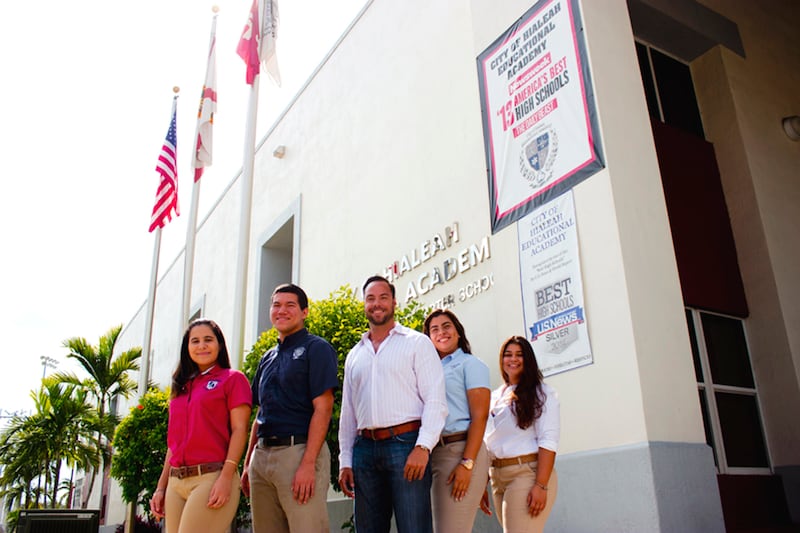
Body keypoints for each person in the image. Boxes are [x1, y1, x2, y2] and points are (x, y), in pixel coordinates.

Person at [338, 275, 448, 533]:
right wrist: (346, 460)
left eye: (383, 297)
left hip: (406, 446)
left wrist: (423, 446)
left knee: (414, 527)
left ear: (394, 303)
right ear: (364, 304)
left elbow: (435, 399)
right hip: (364, 452)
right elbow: (348, 413)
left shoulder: (416, 343)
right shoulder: (355, 355)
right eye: (371, 298)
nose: (377, 304)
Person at [241, 283, 338, 532]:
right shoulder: (267, 357)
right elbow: (260, 414)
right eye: (276, 305)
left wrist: (308, 463)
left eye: (290, 305)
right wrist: (248, 462)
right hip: (261, 459)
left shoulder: (317, 349)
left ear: (304, 312)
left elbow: (323, 409)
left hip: (299, 453)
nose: (281, 310)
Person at [150, 319, 252, 533]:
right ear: (187, 348)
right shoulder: (181, 387)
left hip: (211, 477)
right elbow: (174, 445)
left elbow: (240, 430)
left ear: (220, 345)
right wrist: (161, 488)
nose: (202, 346)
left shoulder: (233, 379)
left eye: (208, 340)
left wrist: (226, 477)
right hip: (176, 482)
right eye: (194, 341)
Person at [423, 309, 491, 533]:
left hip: (459, 451)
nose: (441, 332)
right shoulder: (428, 369)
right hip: (434, 454)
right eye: (434, 329)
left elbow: (479, 417)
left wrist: (468, 464)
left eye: (446, 326)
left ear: (458, 332)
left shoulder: (471, 364)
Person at [483, 336, 560, 533]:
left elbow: (548, 441)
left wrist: (541, 486)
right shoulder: (494, 396)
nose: (513, 359)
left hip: (526, 473)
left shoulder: (542, 394)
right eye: (507, 355)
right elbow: (488, 443)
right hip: (497, 476)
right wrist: (481, 482)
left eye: (519, 355)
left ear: (529, 359)